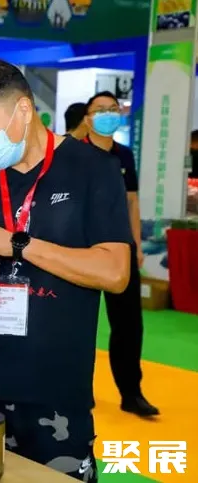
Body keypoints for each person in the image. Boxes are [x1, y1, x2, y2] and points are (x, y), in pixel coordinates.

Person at [0, 59, 132, 481]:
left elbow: (115, 271)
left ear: (24, 110)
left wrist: (17, 244)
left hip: (56, 393)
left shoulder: (93, 170)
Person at [82, 90, 158, 417]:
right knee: (78, 324)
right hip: (81, 250)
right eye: (100, 109)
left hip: (120, 249)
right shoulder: (74, 155)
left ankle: (131, 392)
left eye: (113, 108)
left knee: (128, 324)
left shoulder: (124, 156)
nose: (107, 114)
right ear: (88, 119)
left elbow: (132, 202)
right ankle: (77, 389)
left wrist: (135, 245)